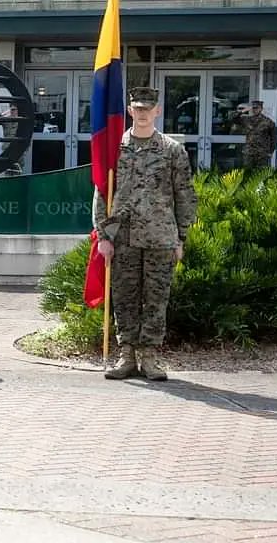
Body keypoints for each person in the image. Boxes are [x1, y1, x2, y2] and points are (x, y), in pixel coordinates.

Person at [94, 87, 198, 382]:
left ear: (157, 111)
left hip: (160, 236)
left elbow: (185, 195)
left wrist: (181, 237)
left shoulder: (171, 150)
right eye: (137, 108)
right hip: (122, 236)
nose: (142, 113)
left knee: (156, 299)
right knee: (124, 298)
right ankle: (126, 356)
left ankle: (150, 357)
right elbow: (102, 192)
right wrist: (103, 234)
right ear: (129, 111)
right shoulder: (115, 147)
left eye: (147, 108)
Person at [236, 100, 276, 169]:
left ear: (261, 109)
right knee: (247, 173)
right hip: (249, 152)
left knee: (261, 174)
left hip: (262, 153)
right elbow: (233, 118)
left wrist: (271, 151)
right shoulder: (247, 119)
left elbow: (273, 138)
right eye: (253, 108)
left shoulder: (268, 122)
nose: (255, 110)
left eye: (257, 108)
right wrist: (243, 111)